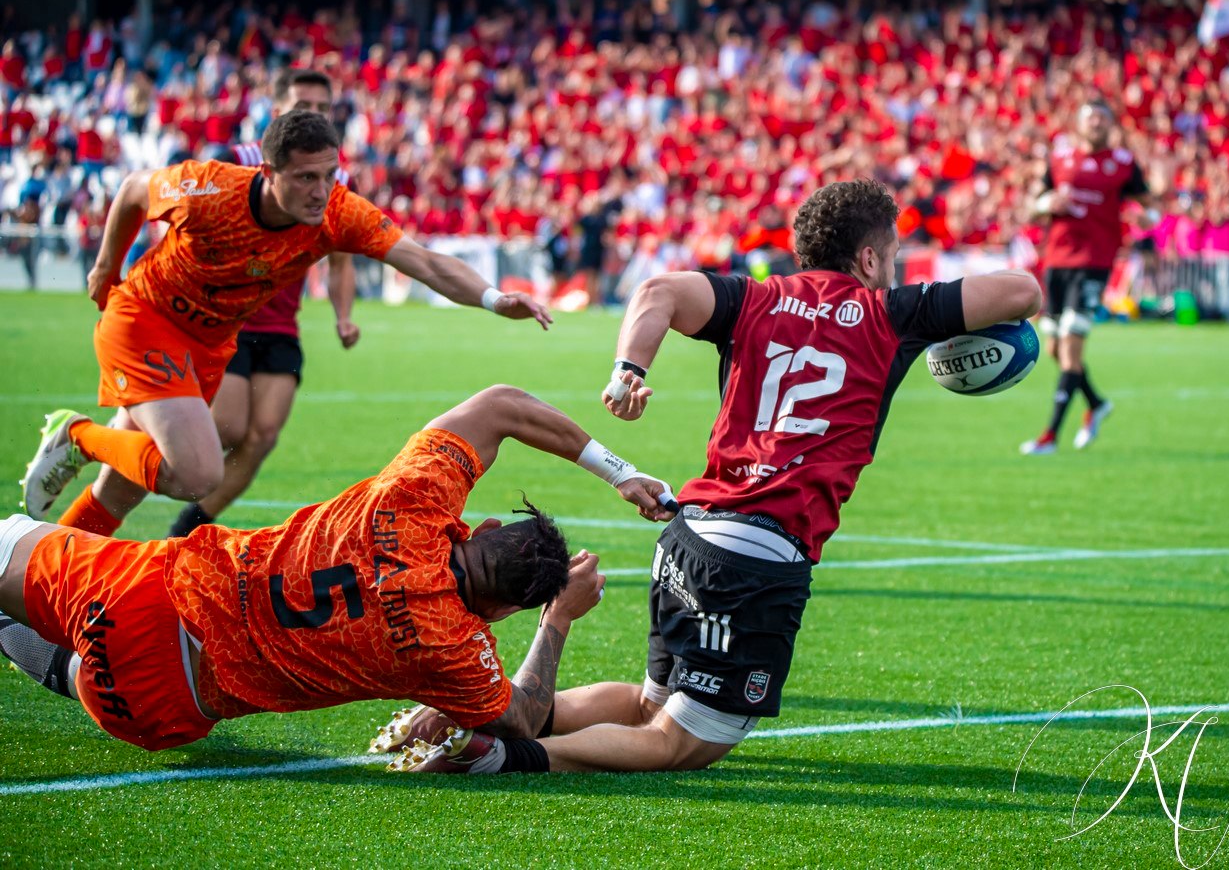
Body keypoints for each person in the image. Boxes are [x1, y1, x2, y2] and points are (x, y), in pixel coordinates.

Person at [379, 178, 1041, 775]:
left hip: (690, 535)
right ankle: (502, 754)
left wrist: (629, 371)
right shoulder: (891, 312)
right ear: (869, 258)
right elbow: (1024, 292)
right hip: (759, 556)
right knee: (679, 743)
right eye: (888, 256)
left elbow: (659, 290)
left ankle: (470, 717)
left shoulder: (754, 298)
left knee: (648, 705)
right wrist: (921, 312)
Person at [0, 384, 674, 751]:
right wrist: (558, 619)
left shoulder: (412, 499)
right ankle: (51, 656)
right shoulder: (455, 652)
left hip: (152, 596)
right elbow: (522, 721)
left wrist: (619, 473)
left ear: (487, 528)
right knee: (89, 670)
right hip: (160, 708)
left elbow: (501, 405)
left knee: (16, 548)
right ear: (500, 611)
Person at [21, 110, 553, 535]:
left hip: (208, 344)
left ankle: (37, 589)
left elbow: (427, 262)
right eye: (305, 178)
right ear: (269, 173)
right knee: (196, 472)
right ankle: (77, 435)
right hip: (145, 320)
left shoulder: (338, 212)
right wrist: (105, 266)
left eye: (328, 175)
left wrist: (491, 297)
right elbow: (134, 191)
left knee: (121, 490)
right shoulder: (208, 189)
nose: (320, 191)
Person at [170, 70, 360, 538]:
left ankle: (185, 532)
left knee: (263, 436)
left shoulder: (336, 180)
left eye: (321, 107)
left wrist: (343, 316)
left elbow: (340, 260)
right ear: (276, 110)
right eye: (303, 105)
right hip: (227, 319)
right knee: (230, 429)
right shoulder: (236, 161)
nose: (313, 114)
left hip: (280, 326)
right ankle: (121, 452)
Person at [1020, 100, 1153, 455]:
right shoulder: (1059, 160)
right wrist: (1047, 205)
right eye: (1089, 117)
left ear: (1110, 124)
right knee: (1052, 348)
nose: (1095, 122)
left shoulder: (1123, 164)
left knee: (1071, 349)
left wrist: (1146, 219)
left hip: (1094, 263)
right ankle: (1096, 403)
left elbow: (1151, 205)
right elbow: (1031, 209)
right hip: (1056, 262)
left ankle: (1050, 436)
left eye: (1102, 117)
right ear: (1078, 124)